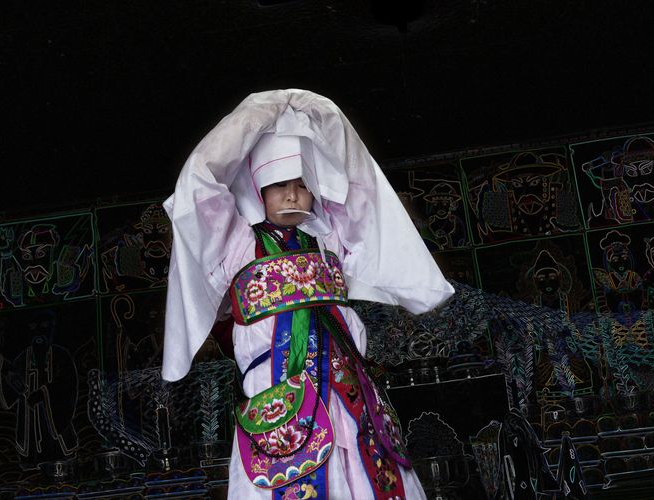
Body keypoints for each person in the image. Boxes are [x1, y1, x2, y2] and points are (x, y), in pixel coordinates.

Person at [162, 89, 454, 499]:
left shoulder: (328, 238)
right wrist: (258, 113)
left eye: (301, 183)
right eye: (279, 185)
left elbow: (359, 181)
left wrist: (321, 115)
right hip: (279, 400)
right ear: (257, 190)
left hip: (348, 394)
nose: (292, 194)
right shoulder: (239, 244)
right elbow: (200, 184)